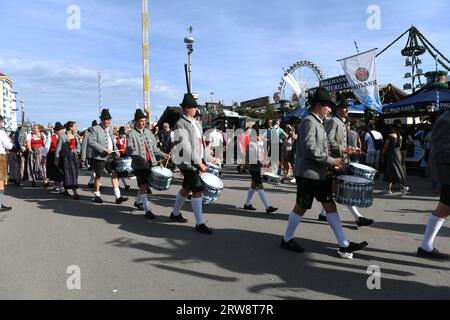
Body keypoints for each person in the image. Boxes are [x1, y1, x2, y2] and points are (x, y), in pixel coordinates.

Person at [280, 88, 368, 258]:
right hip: (308, 175)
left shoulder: (318, 122)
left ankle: (344, 244)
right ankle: (287, 238)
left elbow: (325, 147)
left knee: (329, 205)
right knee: (301, 206)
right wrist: (332, 161)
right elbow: (310, 150)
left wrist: (338, 158)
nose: (330, 110)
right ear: (319, 105)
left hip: (320, 173)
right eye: (328, 106)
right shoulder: (308, 122)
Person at [319, 97, 374, 227]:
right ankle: (358, 217)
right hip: (337, 161)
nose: (347, 110)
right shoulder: (334, 121)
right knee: (344, 188)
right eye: (344, 107)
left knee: (336, 189)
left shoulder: (340, 121)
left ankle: (322, 214)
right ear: (338, 109)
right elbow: (329, 141)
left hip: (342, 160)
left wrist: (352, 149)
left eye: (347, 107)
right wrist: (346, 149)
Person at [170, 93, 212, 234]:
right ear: (187, 108)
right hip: (188, 162)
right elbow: (186, 147)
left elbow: (198, 142)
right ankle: (199, 223)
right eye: (194, 107)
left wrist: (205, 156)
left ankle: (175, 213)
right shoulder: (179, 124)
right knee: (198, 190)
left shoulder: (196, 123)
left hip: (196, 160)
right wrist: (198, 162)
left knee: (186, 188)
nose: (196, 110)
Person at [417, 110, 450, 260]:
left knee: (444, 207)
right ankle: (425, 246)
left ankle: (425, 245)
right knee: (444, 207)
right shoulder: (446, 119)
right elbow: (442, 150)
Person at [126, 109, 168, 218]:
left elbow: (154, 149)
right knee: (143, 185)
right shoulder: (131, 134)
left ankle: (138, 202)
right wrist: (141, 160)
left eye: (144, 121)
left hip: (151, 163)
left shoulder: (149, 132)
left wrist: (163, 154)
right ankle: (147, 210)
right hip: (139, 165)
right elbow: (131, 151)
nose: (143, 123)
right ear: (135, 121)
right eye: (141, 121)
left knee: (145, 185)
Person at [88, 109, 128, 204]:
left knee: (114, 174)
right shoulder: (95, 129)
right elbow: (91, 142)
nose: (109, 121)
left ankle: (118, 196)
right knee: (98, 176)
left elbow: (112, 141)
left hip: (110, 156)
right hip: (99, 157)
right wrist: (104, 149)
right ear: (102, 120)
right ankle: (97, 195)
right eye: (107, 120)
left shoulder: (110, 129)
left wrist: (116, 150)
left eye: (110, 119)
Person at [243, 127, 278, 214]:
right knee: (260, 186)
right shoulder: (252, 145)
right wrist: (263, 164)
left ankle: (247, 204)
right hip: (254, 168)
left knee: (253, 186)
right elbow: (253, 159)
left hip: (255, 168)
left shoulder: (256, 143)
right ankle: (267, 207)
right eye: (259, 135)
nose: (261, 136)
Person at [55, 121, 81, 200]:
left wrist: (76, 151)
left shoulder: (75, 135)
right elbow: (58, 148)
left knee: (75, 173)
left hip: (74, 156)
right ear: (70, 127)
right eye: (75, 126)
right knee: (68, 174)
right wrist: (57, 158)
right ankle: (75, 192)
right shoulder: (62, 136)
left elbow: (78, 145)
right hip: (66, 157)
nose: (76, 128)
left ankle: (67, 189)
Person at [382, 123, 409, 196]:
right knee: (391, 170)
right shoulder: (400, 136)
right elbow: (399, 146)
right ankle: (388, 189)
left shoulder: (390, 136)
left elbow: (386, 146)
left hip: (392, 154)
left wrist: (382, 153)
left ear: (393, 128)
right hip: (398, 154)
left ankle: (403, 187)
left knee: (394, 171)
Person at [43, 122, 65, 194]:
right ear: (56, 131)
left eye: (62, 130)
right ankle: (58, 186)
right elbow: (46, 147)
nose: (62, 131)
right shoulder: (51, 137)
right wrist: (43, 156)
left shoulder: (64, 136)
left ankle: (58, 186)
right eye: (61, 130)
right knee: (55, 171)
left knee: (60, 171)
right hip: (52, 155)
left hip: (61, 155)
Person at [0, 116, 14, 211]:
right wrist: (10, 140)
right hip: (0, 156)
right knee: (0, 180)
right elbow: (9, 146)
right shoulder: (1, 132)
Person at [81, 120, 98, 188]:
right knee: (94, 169)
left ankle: (91, 182)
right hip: (90, 154)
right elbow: (84, 145)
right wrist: (83, 156)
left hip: (97, 154)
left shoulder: (98, 133)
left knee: (95, 169)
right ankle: (97, 184)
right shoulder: (87, 134)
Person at [116, 126, 130, 191]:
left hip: (124, 156)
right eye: (121, 134)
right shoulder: (117, 140)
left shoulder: (126, 140)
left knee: (121, 173)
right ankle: (125, 185)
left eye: (123, 134)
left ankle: (119, 185)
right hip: (119, 157)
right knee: (119, 172)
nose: (122, 135)